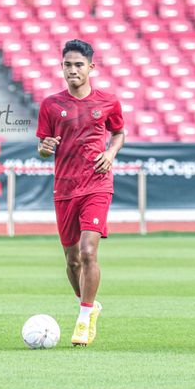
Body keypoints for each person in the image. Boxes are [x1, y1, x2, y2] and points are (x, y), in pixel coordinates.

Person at [36, 39, 125, 346]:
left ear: (91, 67)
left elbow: (119, 132)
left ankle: (84, 317)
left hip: (97, 183)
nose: (72, 70)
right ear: (61, 67)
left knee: (88, 252)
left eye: (78, 65)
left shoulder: (108, 102)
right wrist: (45, 149)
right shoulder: (50, 105)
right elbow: (44, 148)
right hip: (64, 187)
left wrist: (111, 153)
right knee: (73, 260)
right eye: (67, 65)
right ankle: (88, 303)